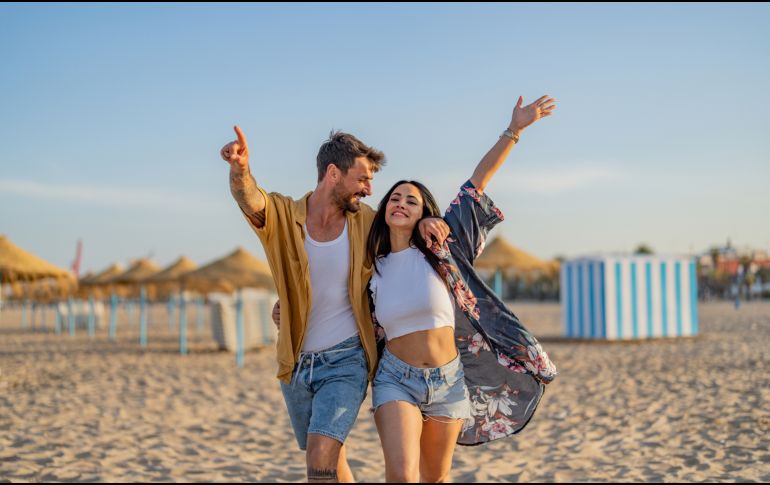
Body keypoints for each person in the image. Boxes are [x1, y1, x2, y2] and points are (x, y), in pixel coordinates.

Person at [220, 128, 449, 483]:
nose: (369, 189)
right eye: (362, 179)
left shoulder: (368, 222)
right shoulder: (283, 215)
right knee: (330, 456)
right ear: (332, 174)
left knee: (320, 454)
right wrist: (240, 169)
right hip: (295, 363)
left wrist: (430, 220)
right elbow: (250, 198)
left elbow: (406, 227)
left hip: (347, 360)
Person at [366, 95, 559, 482]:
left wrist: (515, 130)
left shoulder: (445, 248)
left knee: (434, 478)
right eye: (395, 198)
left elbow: (478, 182)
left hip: (449, 380)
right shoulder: (369, 266)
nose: (401, 203)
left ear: (426, 212)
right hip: (394, 378)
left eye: (412, 200)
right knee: (401, 476)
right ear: (385, 208)